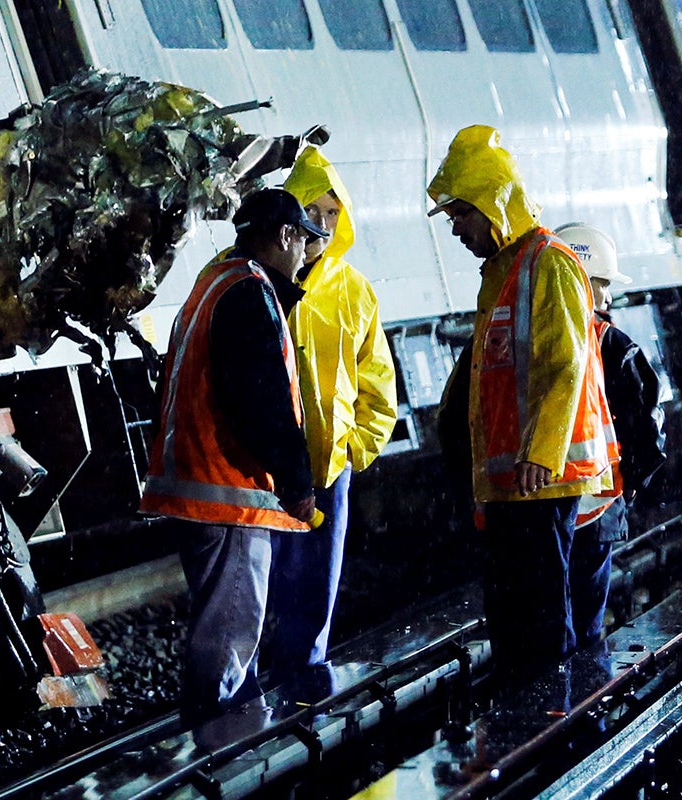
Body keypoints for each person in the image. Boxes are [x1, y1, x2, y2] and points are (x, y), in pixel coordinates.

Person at [426, 125, 617, 685]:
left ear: (494, 205)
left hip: (542, 481)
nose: (457, 230)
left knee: (539, 619)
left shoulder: (547, 262)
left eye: (462, 215)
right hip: (512, 483)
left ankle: (550, 729)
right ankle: (525, 725)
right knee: (514, 618)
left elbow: (567, 363)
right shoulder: (503, 273)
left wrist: (542, 452)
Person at [139, 188, 326, 723]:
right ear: (285, 235)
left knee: (219, 624)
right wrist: (296, 481)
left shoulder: (213, 282)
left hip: (200, 489)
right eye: (303, 243)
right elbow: (261, 397)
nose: (304, 258)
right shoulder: (249, 291)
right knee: (229, 632)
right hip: (229, 495)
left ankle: (223, 734)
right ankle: (214, 753)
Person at [270, 147, 397, 695]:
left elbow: (377, 383)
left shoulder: (354, 291)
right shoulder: (262, 278)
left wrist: (352, 451)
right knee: (262, 589)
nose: (320, 224)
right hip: (266, 469)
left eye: (331, 213)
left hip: (328, 468)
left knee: (316, 586)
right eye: (311, 210)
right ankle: (255, 700)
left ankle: (301, 690)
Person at [555, 222, 667, 649]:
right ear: (582, 284)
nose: (607, 297)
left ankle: (552, 705)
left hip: (536, 514)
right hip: (597, 508)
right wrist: (631, 487)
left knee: (549, 624)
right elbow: (646, 428)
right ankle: (586, 710)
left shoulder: (531, 339)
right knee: (586, 625)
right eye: (601, 285)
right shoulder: (613, 343)